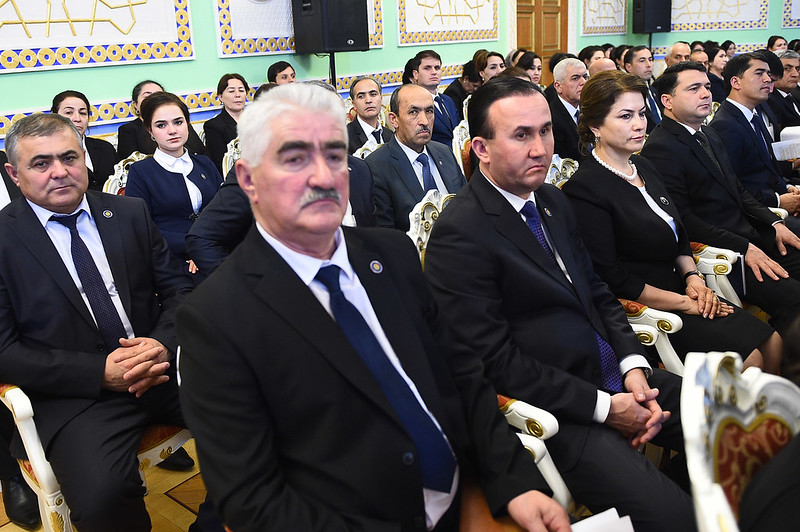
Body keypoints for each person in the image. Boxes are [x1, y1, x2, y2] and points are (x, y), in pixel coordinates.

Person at [176, 82, 570, 532]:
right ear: (248, 180)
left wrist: (513, 482)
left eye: (335, 155)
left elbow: (461, 375)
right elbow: (253, 501)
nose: (323, 177)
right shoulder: (216, 317)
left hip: (468, 496)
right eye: (295, 159)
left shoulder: (393, 254)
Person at [423, 76, 694, 531]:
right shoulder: (460, 233)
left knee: (740, 426)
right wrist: (607, 408)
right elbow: (494, 361)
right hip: (563, 411)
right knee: (675, 517)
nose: (540, 149)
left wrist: (633, 366)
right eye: (521, 135)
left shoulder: (551, 200)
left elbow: (598, 292)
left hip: (621, 379)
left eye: (546, 131)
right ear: (481, 149)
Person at [0, 113, 193, 531]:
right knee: (103, 499)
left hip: (162, 369)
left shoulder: (128, 212)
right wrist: (98, 372)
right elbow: (4, 351)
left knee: (266, 419)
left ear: (84, 158)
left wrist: (161, 343)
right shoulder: (3, 239)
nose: (60, 172)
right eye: (41, 163)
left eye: (69, 157)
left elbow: (180, 291)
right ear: (14, 174)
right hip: (79, 398)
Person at [561, 70, 781, 372]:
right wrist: (683, 302)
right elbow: (613, 277)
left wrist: (693, 278)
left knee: (773, 341)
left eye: (641, 113)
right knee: (748, 360)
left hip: (685, 288)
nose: (639, 124)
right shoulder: (585, 189)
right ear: (595, 126)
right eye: (625, 116)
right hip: (649, 306)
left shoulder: (643, 165)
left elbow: (679, 233)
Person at [640, 62, 800, 375]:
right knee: (794, 298)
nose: (705, 93)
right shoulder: (661, 148)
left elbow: (738, 190)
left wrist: (773, 222)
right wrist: (744, 247)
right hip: (722, 253)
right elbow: (683, 219)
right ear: (667, 101)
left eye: (706, 87)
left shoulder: (708, 133)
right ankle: (787, 380)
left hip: (752, 237)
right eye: (693, 88)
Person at [126, 92, 223, 276]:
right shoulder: (140, 172)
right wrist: (196, 248)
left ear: (187, 124)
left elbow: (224, 210)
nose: (172, 131)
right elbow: (143, 228)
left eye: (178, 122)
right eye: (161, 125)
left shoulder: (205, 163)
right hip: (172, 259)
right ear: (150, 131)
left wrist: (208, 247)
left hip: (216, 249)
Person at [709, 52, 800, 221]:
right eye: (759, 73)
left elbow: (767, 169)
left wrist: (787, 187)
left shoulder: (753, 116)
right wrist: (778, 200)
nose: (768, 79)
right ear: (736, 82)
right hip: (755, 214)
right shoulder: (725, 125)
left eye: (768, 74)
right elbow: (735, 186)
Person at [366, 84, 465, 232]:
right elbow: (386, 235)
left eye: (429, 111)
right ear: (394, 120)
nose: (424, 121)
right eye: (413, 112)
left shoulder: (445, 152)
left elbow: (466, 204)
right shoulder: (376, 167)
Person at [116, 80, 206, 159]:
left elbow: (202, 153)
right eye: (161, 125)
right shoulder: (128, 130)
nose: (153, 100)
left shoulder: (181, 124)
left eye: (159, 95)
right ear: (135, 105)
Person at [51, 90, 117, 191]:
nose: (77, 118)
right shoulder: (48, 153)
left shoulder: (105, 148)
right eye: (69, 113)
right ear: (54, 117)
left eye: (83, 113)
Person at [412, 50, 460, 147]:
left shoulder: (448, 100)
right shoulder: (414, 104)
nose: (434, 72)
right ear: (416, 74)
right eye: (427, 68)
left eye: (437, 68)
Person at [203, 73, 249, 174]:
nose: (238, 95)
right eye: (231, 91)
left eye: (241, 90)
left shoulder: (256, 120)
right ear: (220, 97)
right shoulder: (214, 126)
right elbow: (221, 164)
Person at [547, 57, 587, 160]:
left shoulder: (589, 108)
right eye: (575, 78)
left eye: (585, 76)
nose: (583, 82)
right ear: (558, 86)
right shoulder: (551, 118)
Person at [346, 76, 394, 154]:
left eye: (373, 94)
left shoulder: (390, 135)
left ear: (381, 99)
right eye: (361, 96)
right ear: (354, 104)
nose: (368, 100)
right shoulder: (345, 137)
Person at [624, 46, 661, 132]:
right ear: (629, 67)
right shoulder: (627, 96)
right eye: (642, 61)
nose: (648, 65)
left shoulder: (654, 90)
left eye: (650, 60)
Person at [769, 50, 800, 134]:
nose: (795, 74)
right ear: (772, 72)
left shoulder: (791, 95)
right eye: (787, 69)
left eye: (797, 69)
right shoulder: (770, 100)